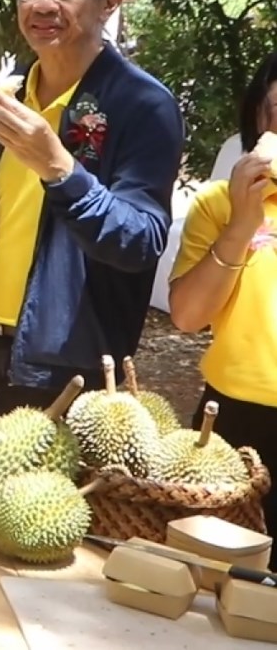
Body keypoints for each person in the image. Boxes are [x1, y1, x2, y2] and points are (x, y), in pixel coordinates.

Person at [0, 0, 184, 436]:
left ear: (110, 2)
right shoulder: (11, 94)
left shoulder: (142, 105)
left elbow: (140, 239)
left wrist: (60, 169)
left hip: (64, 373)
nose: (44, 3)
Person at [168, 52, 277, 526]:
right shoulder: (218, 204)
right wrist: (241, 225)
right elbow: (188, 316)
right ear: (258, 117)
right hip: (232, 417)